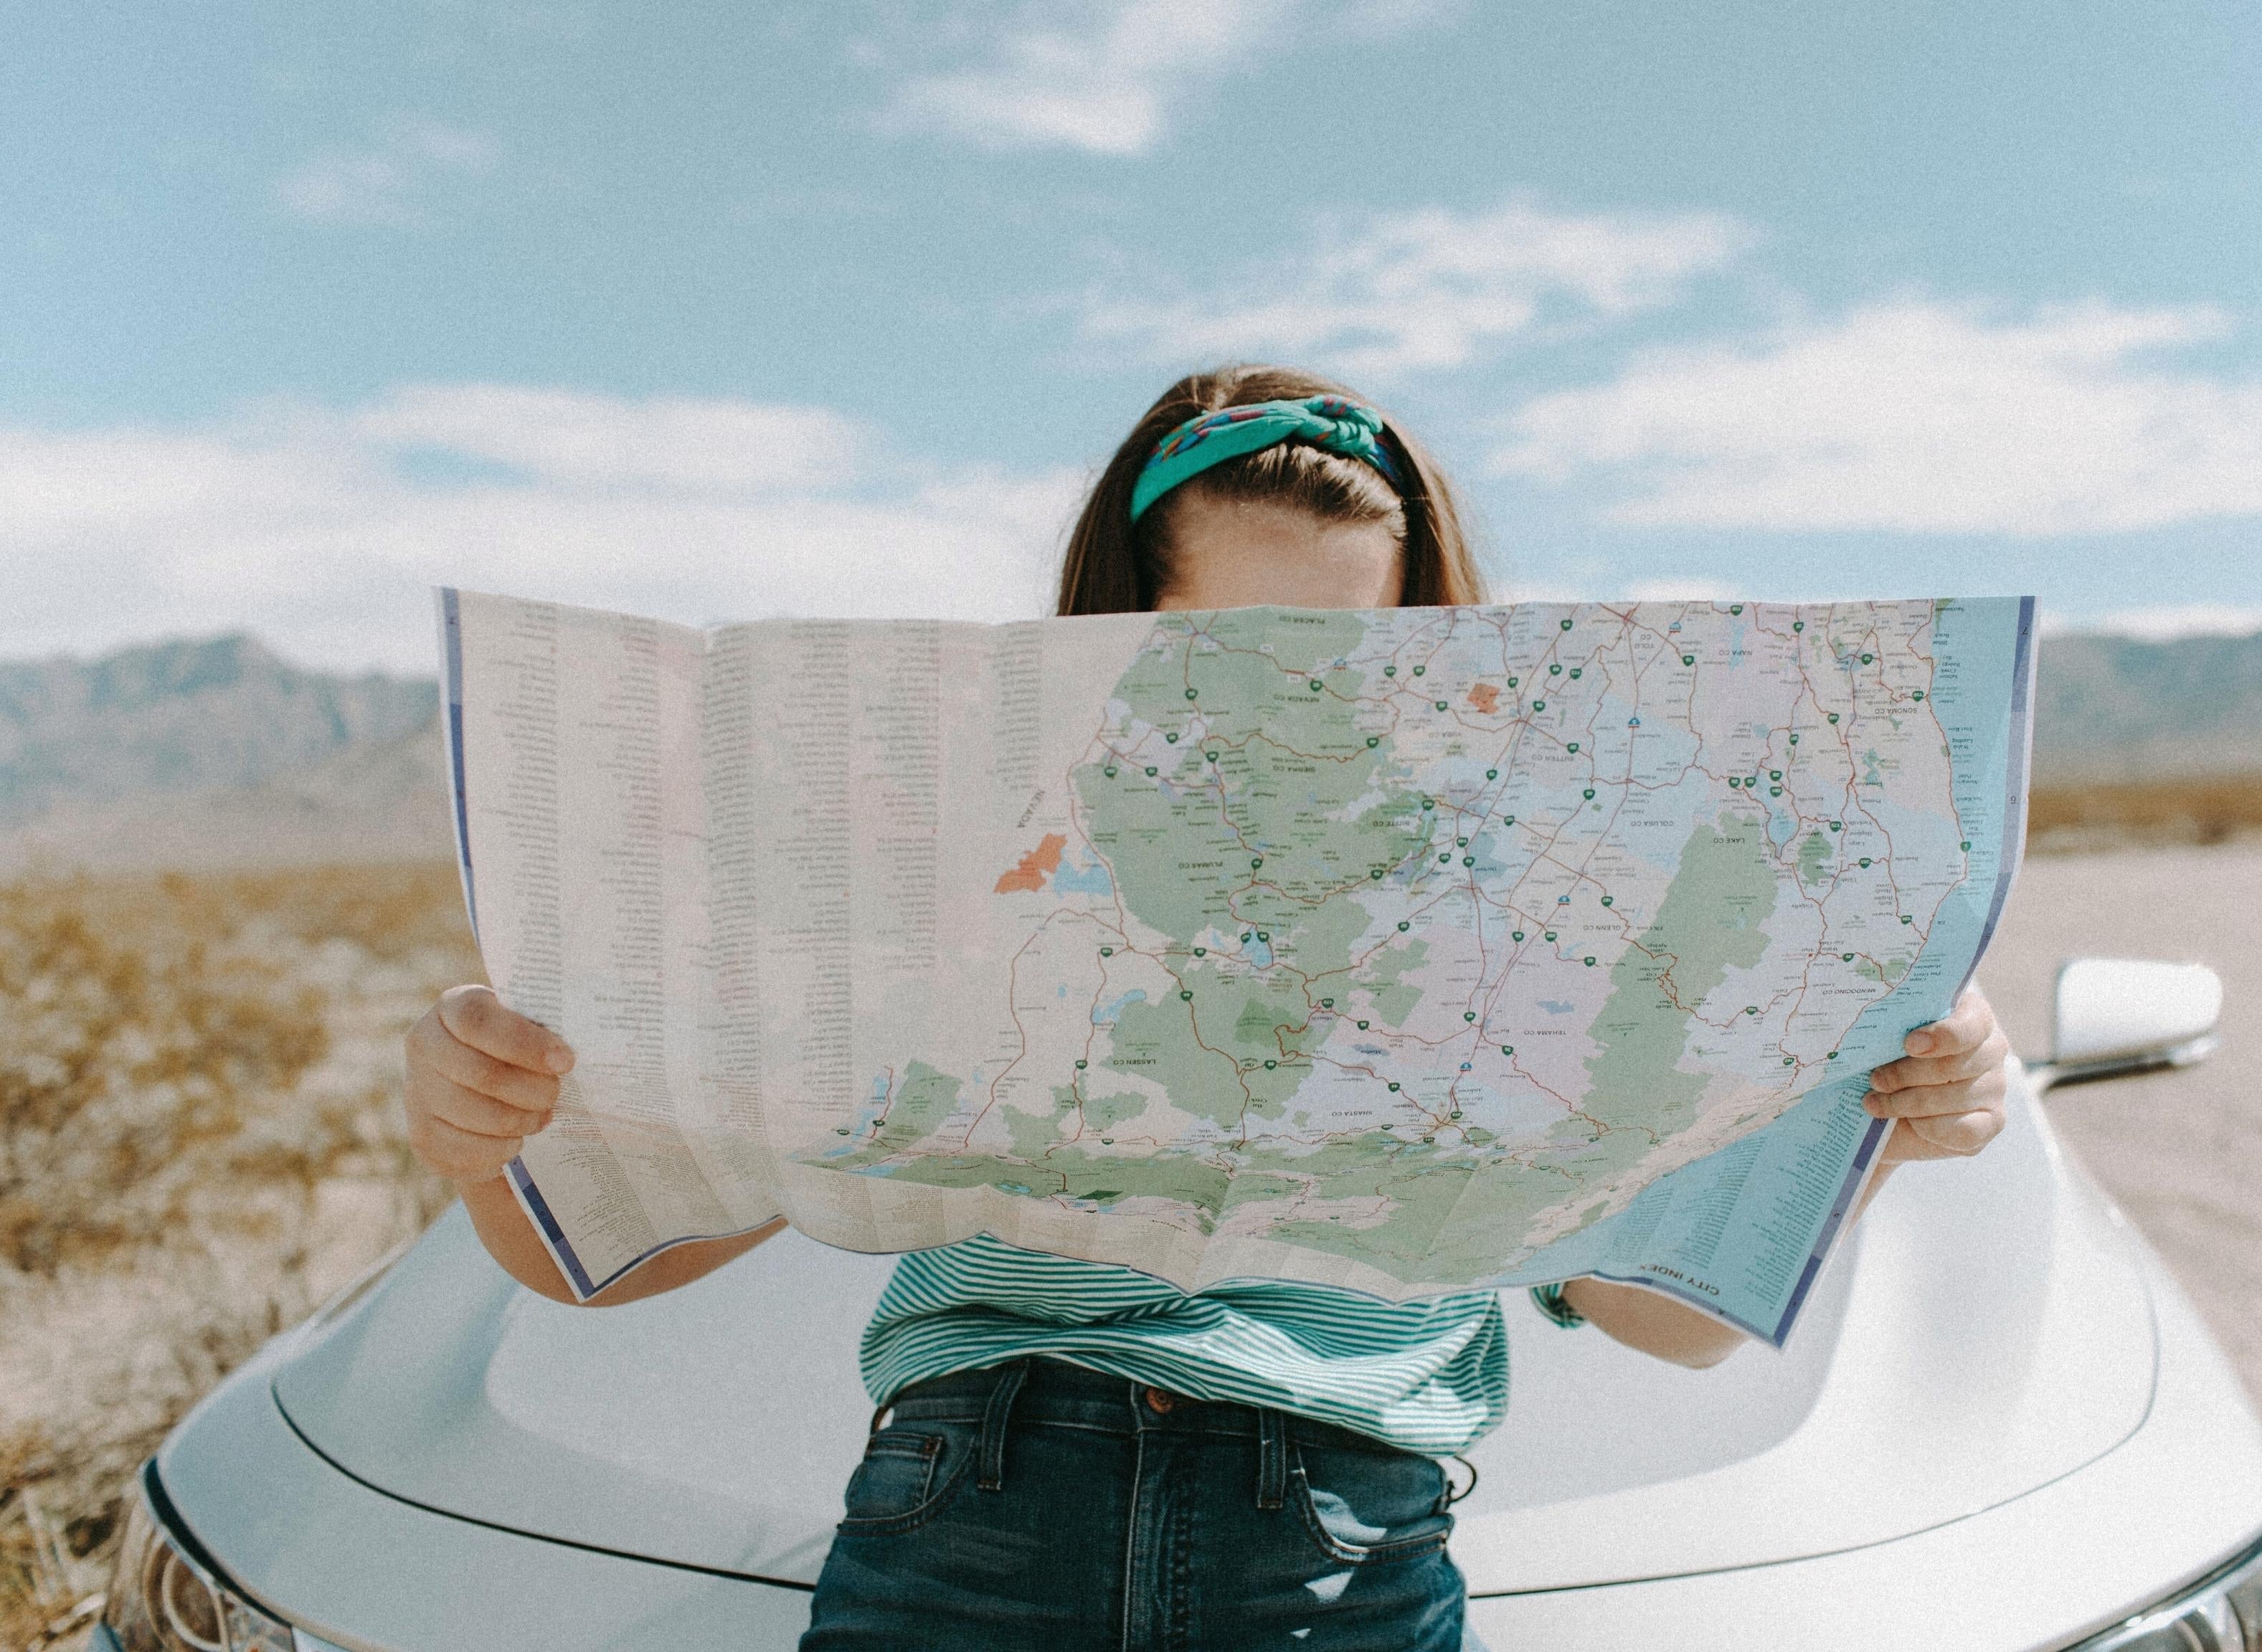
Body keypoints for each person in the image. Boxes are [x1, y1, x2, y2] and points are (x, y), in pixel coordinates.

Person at [400, 364, 2013, 1651]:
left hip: (1341, 1553)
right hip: (970, 1512)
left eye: (1344, 654)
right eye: (1225, 649)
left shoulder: (1537, 893)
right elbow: (606, 1261)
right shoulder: (956, 853)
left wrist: (1868, 1128)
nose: (1282, 701)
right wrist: (491, 1137)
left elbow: (1668, 1322)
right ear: (1116, 634)